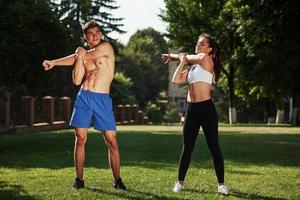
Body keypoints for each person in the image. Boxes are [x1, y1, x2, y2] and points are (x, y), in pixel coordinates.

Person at [42, 21, 126, 190]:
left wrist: (79, 54)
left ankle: (117, 180)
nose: (95, 36)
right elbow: (77, 79)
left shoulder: (106, 48)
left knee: (111, 141)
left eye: (97, 32)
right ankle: (79, 180)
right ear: (85, 36)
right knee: (80, 139)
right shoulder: (83, 54)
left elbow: (82, 55)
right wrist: (54, 62)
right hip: (84, 97)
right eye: (91, 33)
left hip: (102, 99)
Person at [162, 33, 229, 195]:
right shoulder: (192, 67)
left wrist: (173, 56)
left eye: (202, 44)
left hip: (206, 109)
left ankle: (221, 185)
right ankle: (179, 182)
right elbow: (176, 80)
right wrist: (182, 62)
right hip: (191, 110)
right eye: (197, 44)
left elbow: (194, 57)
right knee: (187, 148)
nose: (198, 46)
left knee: (214, 147)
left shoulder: (206, 61)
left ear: (210, 49)